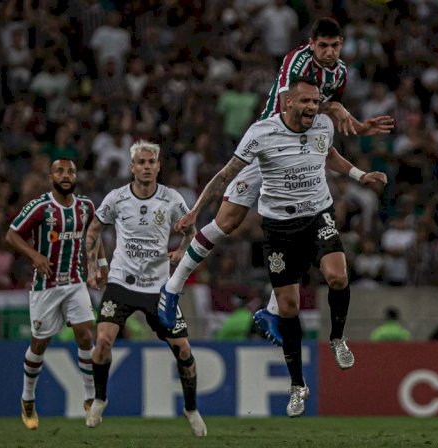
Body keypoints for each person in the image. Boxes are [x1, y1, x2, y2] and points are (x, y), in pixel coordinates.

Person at [159, 17, 394, 347]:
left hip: (300, 152)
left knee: (300, 222)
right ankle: (171, 289)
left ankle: (271, 310)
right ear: (311, 44)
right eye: (323, 45)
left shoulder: (339, 72)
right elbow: (293, 99)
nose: (329, 52)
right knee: (227, 222)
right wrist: (335, 108)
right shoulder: (297, 60)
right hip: (270, 145)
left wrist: (357, 126)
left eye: (335, 45)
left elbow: (327, 117)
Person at [162, 77, 387, 417]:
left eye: (316, 102)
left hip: (317, 216)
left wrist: (360, 175)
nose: (313, 107)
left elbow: (330, 155)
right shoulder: (261, 133)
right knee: (289, 308)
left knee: (337, 276)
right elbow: (226, 174)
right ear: (288, 104)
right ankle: (298, 385)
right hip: (279, 227)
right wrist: (196, 210)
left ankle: (337, 339)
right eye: (307, 102)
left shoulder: (323, 124)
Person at [83, 141, 206, 437]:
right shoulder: (116, 198)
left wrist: (181, 252)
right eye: (141, 162)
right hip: (121, 282)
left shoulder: (172, 199)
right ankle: (100, 398)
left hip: (159, 289)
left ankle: (190, 408)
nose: (147, 166)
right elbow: (93, 230)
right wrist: (93, 267)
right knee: (103, 342)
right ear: (132, 167)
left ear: (158, 166)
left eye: (152, 162)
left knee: (184, 351)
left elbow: (192, 230)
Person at [5, 158, 100, 430]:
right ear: (51, 177)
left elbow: (94, 235)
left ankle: (90, 397)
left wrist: (98, 265)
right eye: (60, 171)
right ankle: (27, 398)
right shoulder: (40, 207)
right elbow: (12, 235)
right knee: (39, 344)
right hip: (45, 286)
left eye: (71, 171)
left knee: (85, 333)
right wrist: (34, 255)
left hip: (75, 281)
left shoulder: (86, 206)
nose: (66, 175)